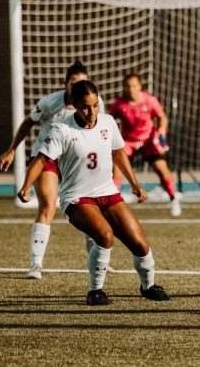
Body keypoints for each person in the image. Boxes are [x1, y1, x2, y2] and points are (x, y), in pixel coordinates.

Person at [17, 80, 170, 305]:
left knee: (139, 243)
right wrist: (26, 185)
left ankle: (148, 286)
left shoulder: (107, 122)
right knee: (105, 235)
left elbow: (119, 153)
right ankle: (95, 291)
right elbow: (41, 159)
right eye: (85, 107)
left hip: (108, 193)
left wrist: (135, 184)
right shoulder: (62, 129)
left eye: (95, 105)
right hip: (77, 198)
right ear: (75, 106)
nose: (91, 112)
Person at [0, 60, 100, 279]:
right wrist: (12, 150)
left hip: (75, 160)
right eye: (74, 83)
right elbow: (28, 122)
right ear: (66, 84)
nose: (78, 87)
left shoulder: (94, 104)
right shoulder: (49, 102)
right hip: (47, 157)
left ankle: (97, 261)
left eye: (83, 83)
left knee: (90, 209)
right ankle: (36, 265)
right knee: (48, 206)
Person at [109, 72, 182, 216]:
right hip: (128, 142)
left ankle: (174, 200)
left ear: (140, 86)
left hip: (148, 141)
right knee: (117, 170)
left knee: (162, 168)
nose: (131, 89)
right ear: (124, 88)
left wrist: (161, 132)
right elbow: (109, 120)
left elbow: (162, 117)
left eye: (134, 86)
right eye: (128, 86)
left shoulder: (150, 100)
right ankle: (113, 204)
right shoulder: (119, 103)